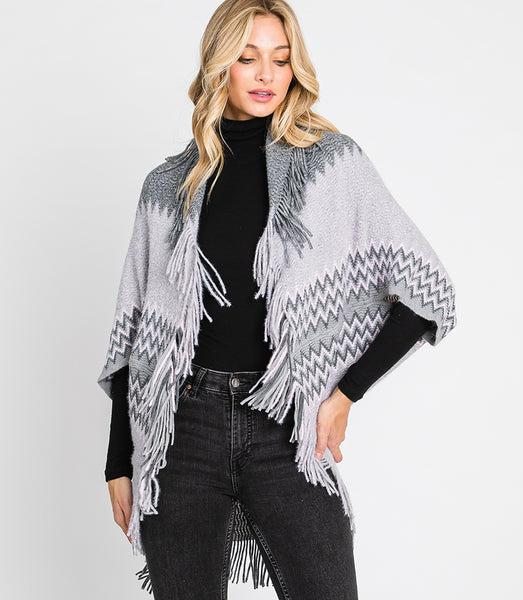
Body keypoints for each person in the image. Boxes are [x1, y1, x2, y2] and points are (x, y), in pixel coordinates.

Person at [99, 1, 457, 598]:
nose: (266, 74)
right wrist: (118, 461)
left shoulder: (330, 165)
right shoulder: (168, 186)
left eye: (281, 59)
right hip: (181, 431)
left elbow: (426, 292)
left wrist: (346, 393)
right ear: (219, 65)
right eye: (247, 58)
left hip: (286, 427)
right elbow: (134, 334)